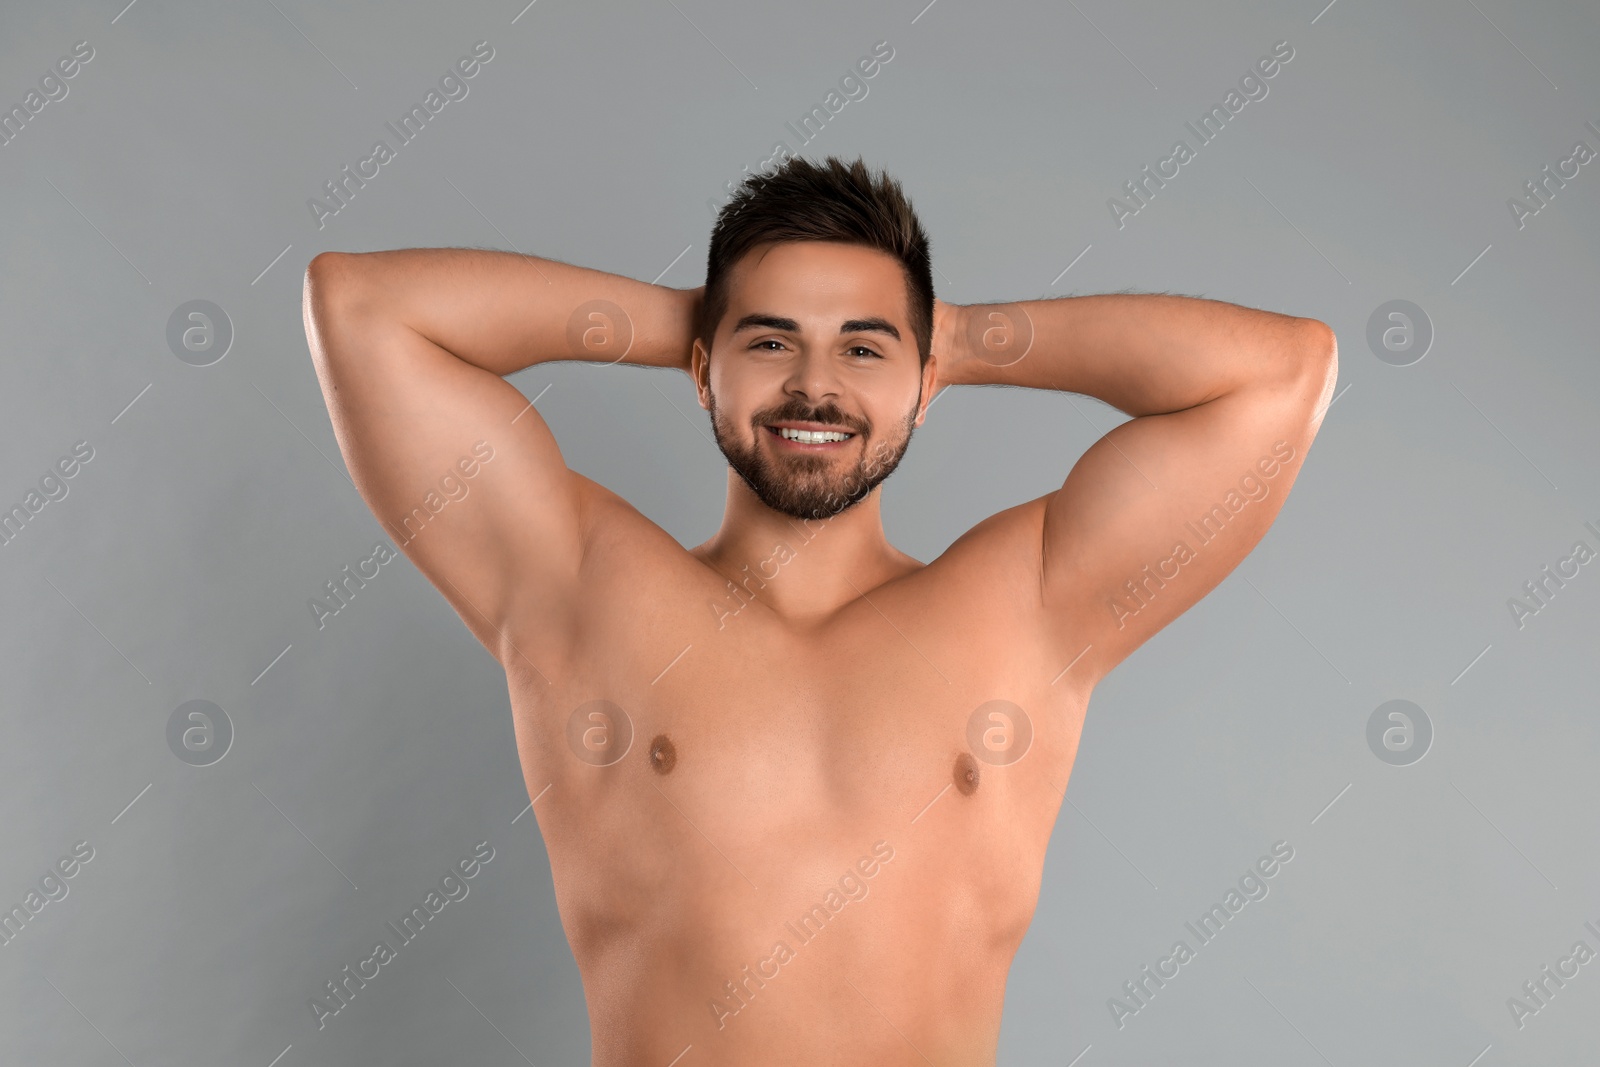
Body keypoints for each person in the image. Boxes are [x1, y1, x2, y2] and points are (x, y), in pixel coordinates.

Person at [302, 154, 1336, 1066]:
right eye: (770, 344)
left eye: (863, 349)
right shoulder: (582, 588)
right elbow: (361, 309)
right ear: (701, 368)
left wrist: (957, 336)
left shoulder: (1029, 602)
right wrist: (694, 321)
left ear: (928, 381)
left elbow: (1281, 374)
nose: (813, 386)